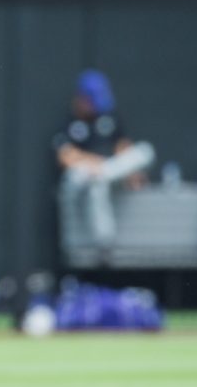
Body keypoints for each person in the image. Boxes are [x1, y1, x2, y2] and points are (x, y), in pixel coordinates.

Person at [54, 69, 155, 251]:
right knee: (91, 180)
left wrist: (128, 172)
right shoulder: (70, 123)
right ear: (82, 99)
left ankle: (105, 174)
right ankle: (104, 243)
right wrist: (94, 162)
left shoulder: (109, 118)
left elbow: (123, 147)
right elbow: (65, 157)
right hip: (85, 175)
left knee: (145, 151)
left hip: (109, 170)